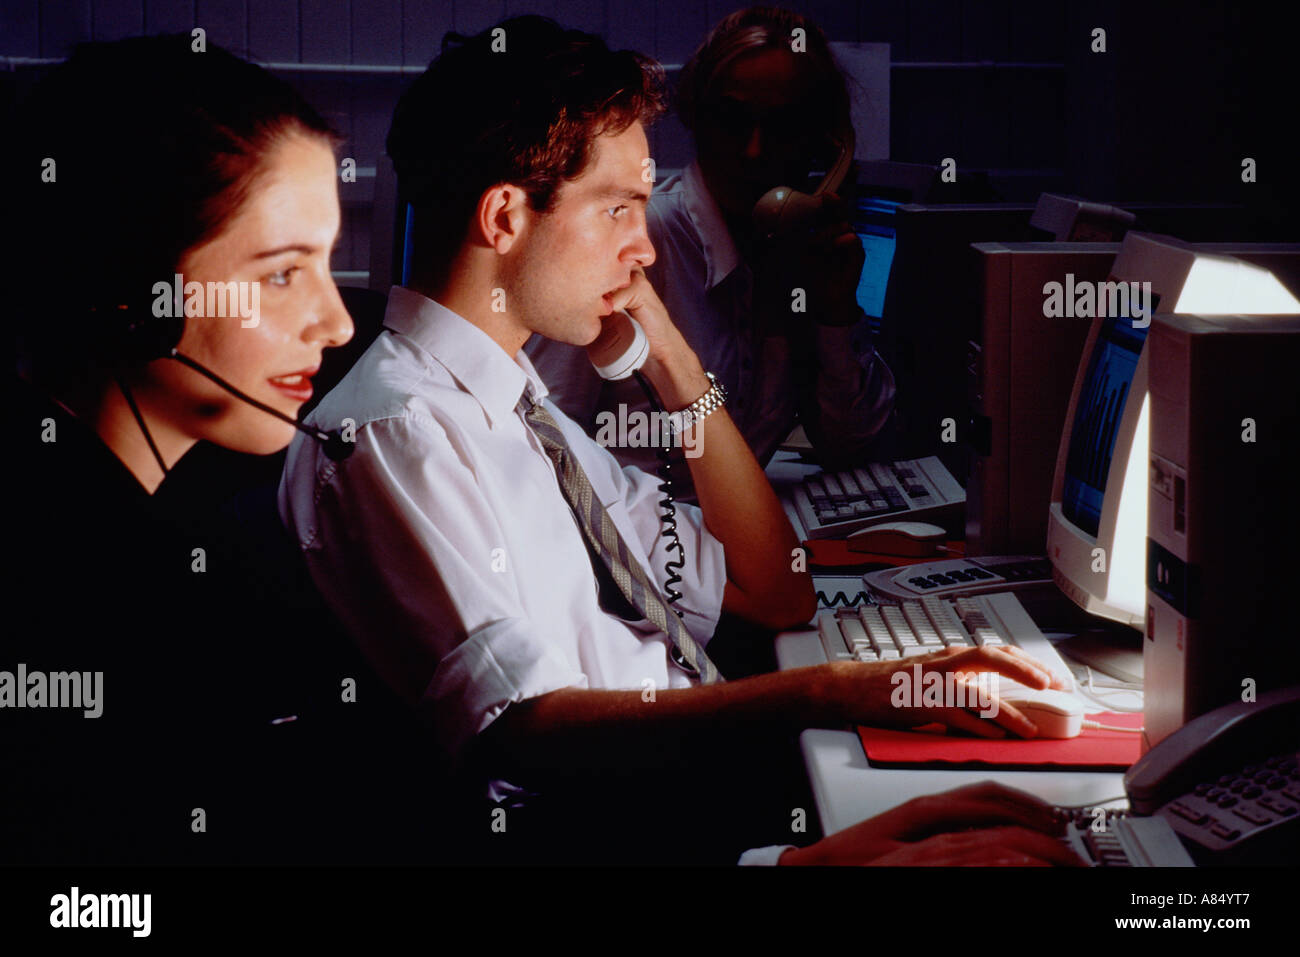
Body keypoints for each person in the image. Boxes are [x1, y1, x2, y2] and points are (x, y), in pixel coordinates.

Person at [279, 16, 1073, 865]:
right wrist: (833, 707)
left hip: (696, 797)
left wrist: (672, 357)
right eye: (618, 207)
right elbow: (523, 731)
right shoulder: (399, 432)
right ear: (505, 217)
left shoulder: (516, 406)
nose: (646, 243)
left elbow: (774, 590)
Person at [4, 34, 438, 865]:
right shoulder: (61, 590)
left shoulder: (179, 513)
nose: (338, 323)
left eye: (325, 264)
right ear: (130, 291)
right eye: (281, 274)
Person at [526, 6, 896, 491]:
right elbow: (538, 448)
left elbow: (850, 445)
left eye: (782, 126)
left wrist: (834, 310)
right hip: (638, 551)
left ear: (821, 142)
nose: (754, 150)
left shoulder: (793, 254)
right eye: (733, 119)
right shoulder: (636, 241)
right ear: (696, 117)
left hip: (720, 545)